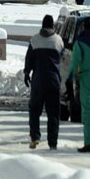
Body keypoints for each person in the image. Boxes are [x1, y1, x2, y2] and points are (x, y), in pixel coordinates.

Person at [23, 14, 64, 150]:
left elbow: (29, 59)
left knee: (34, 110)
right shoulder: (58, 40)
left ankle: (35, 137)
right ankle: (53, 142)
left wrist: (26, 73)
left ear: (42, 25)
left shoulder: (34, 40)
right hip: (53, 80)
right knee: (53, 113)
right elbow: (62, 58)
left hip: (38, 80)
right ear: (52, 25)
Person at [69, 17, 90, 153]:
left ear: (83, 27)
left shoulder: (79, 43)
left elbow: (75, 62)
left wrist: (71, 77)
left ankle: (88, 142)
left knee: (87, 111)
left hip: (86, 78)